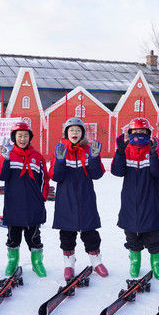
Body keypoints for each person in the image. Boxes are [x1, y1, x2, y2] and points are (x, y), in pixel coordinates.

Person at [49, 118, 108, 280]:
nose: (74, 133)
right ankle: (69, 263)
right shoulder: (60, 149)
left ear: (82, 133)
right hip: (66, 198)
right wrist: (60, 161)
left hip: (85, 197)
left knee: (90, 232)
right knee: (67, 233)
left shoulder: (89, 150)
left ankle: (96, 261)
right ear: (66, 133)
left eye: (78, 130)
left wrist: (94, 158)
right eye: (71, 130)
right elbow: (55, 176)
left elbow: (97, 175)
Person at [111, 118, 159, 279]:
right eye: (135, 132)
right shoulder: (126, 150)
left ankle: (156, 264)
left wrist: (154, 154)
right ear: (129, 133)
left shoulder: (155, 149)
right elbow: (117, 172)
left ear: (148, 133)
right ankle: (135, 262)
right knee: (132, 236)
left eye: (142, 132)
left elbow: (158, 172)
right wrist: (120, 153)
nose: (139, 134)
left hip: (150, 203)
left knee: (154, 237)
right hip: (130, 203)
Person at [0, 122, 50, 277]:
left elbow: (45, 179)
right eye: (19, 136)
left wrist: (42, 197)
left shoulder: (37, 157)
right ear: (14, 137)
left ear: (30, 138)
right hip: (14, 204)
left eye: (26, 136)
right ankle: (12, 261)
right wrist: (4, 157)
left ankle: (37, 262)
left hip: (33, 205)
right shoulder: (9, 154)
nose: (23, 139)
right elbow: (0, 175)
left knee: (34, 236)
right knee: (13, 237)